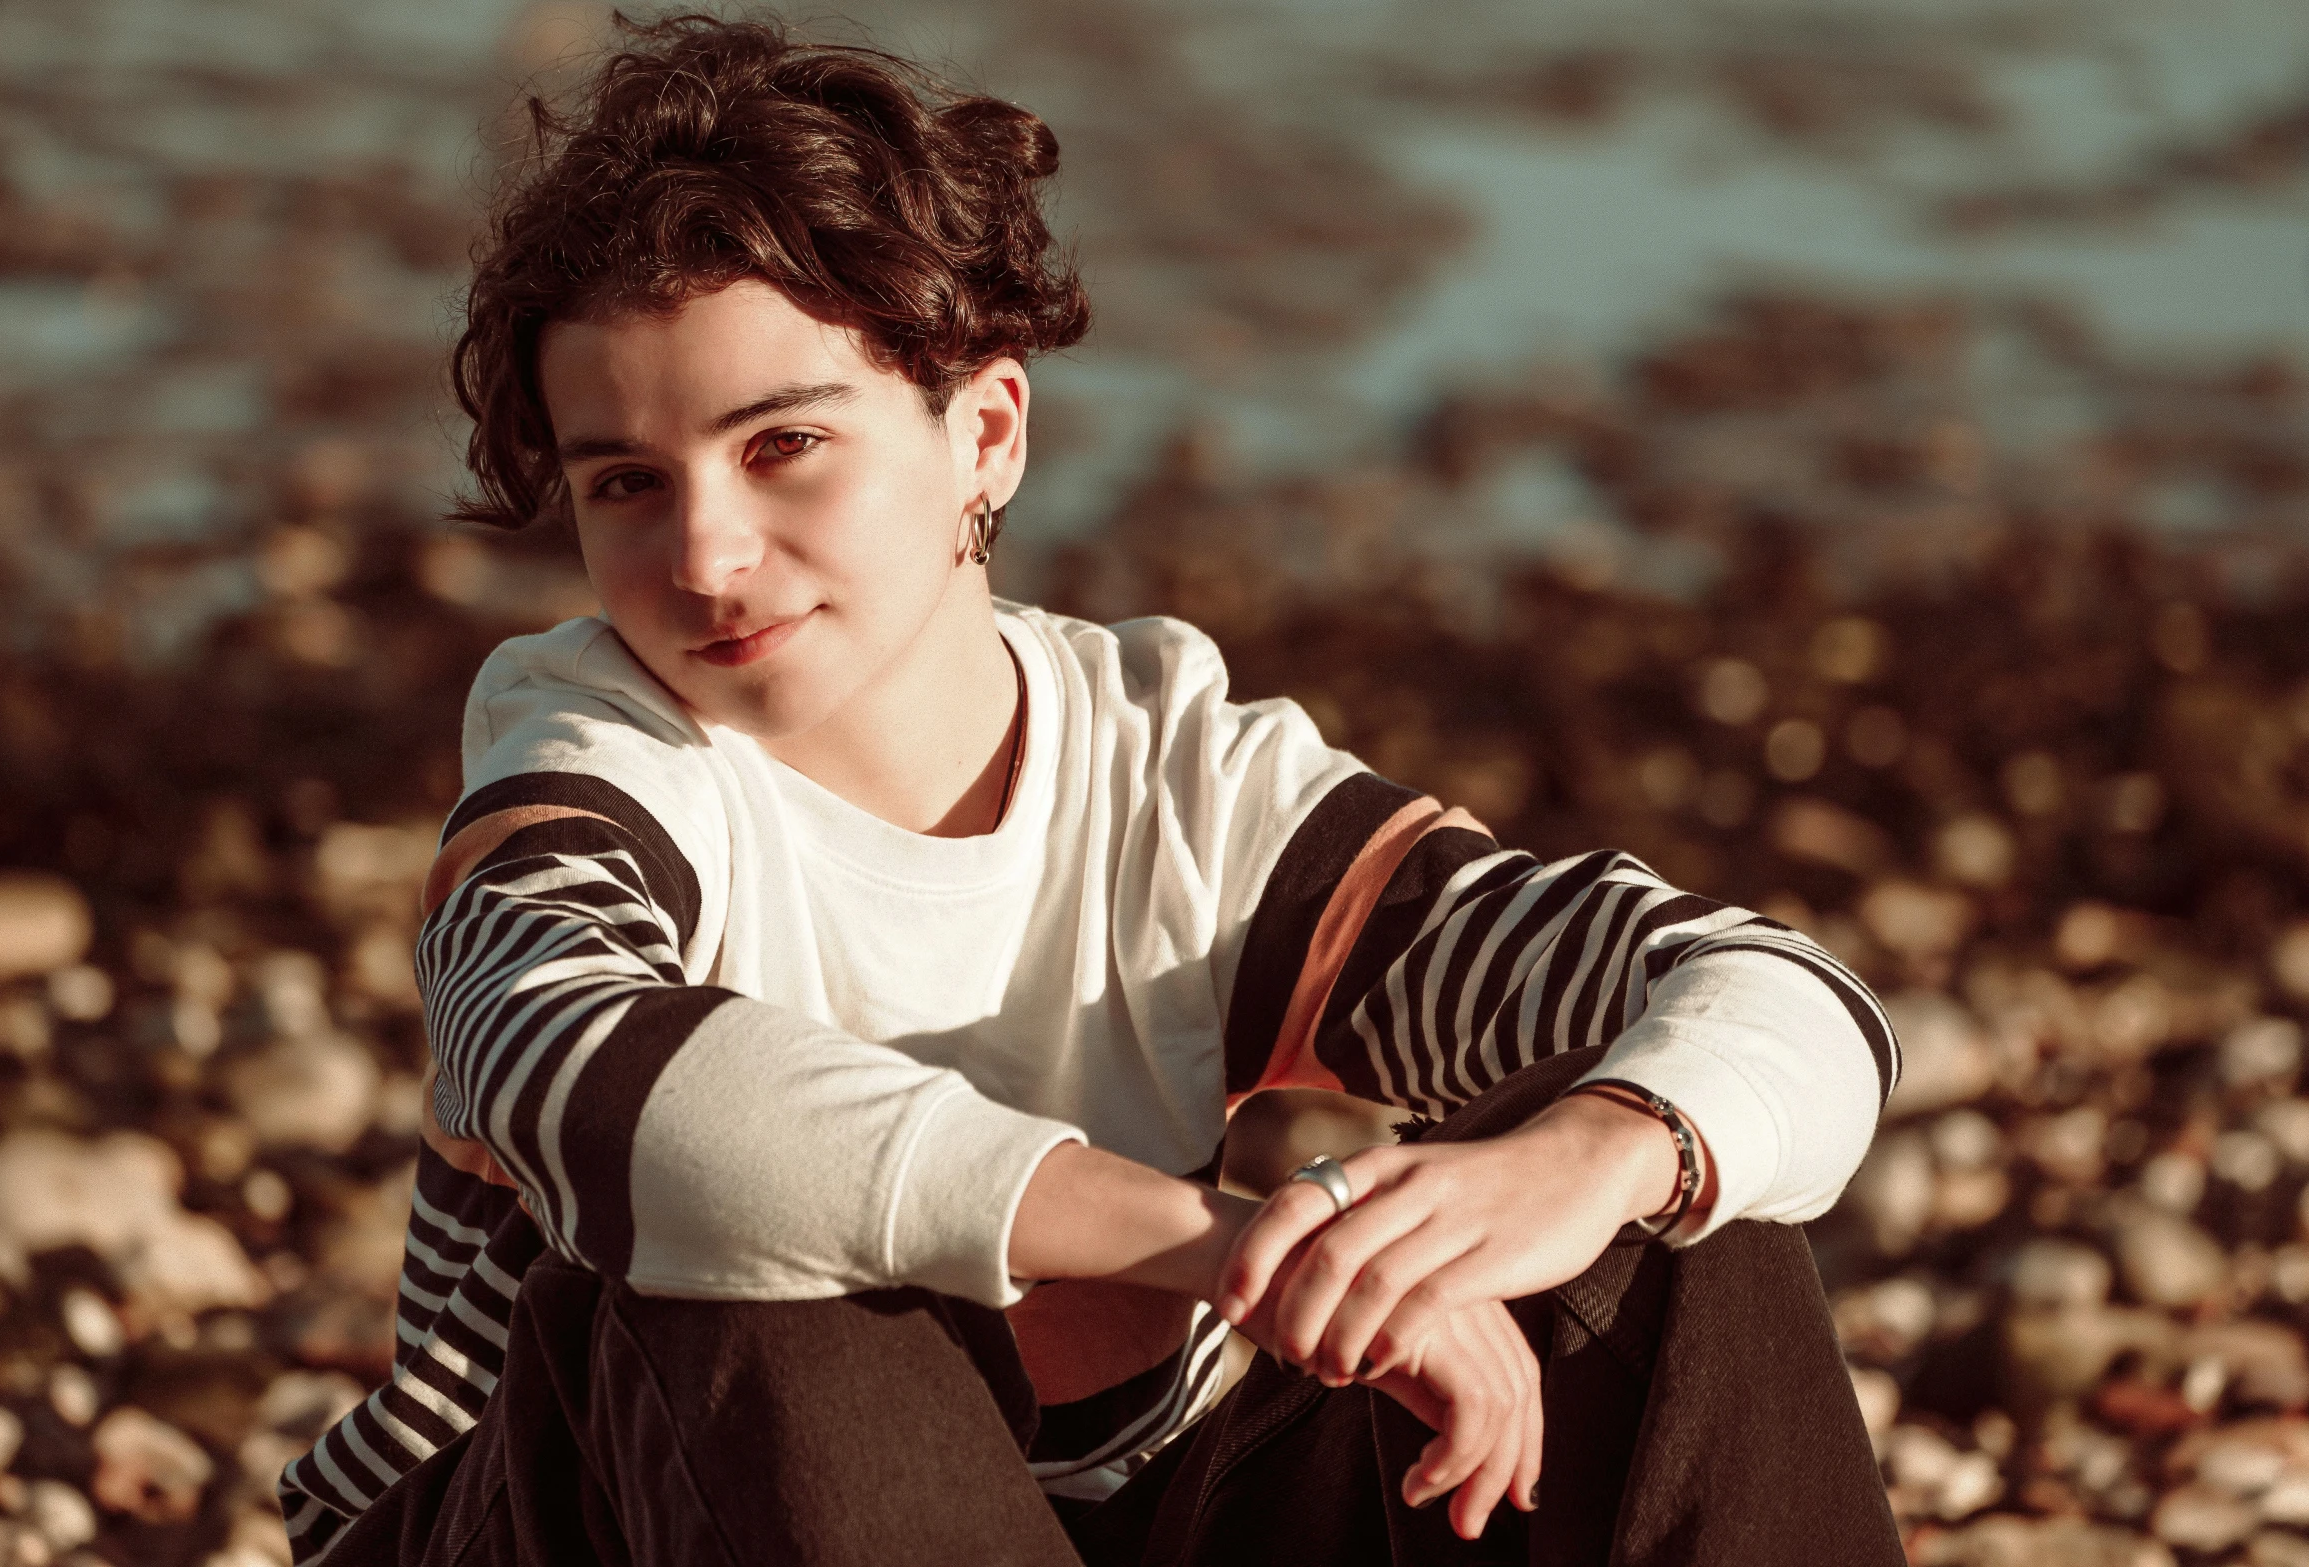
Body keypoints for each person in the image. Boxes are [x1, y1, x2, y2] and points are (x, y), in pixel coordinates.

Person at [281, 17, 1902, 1565]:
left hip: (1141, 1500)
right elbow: (596, 1075)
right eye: (625, 483)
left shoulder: (1171, 775)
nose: (702, 556)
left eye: (783, 446)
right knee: (755, 1280)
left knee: (1686, 1207)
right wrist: (1223, 1247)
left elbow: (1781, 996)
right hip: (558, 1516)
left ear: (984, 427)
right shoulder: (591, 759)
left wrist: (1589, 1161)